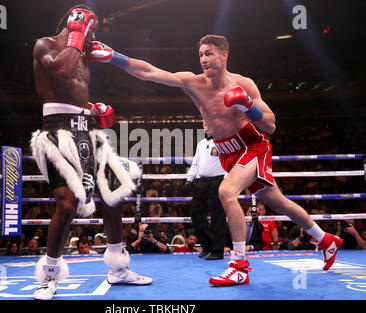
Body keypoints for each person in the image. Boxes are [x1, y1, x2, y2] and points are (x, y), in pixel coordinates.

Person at [86, 34, 343, 286]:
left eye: (209, 53)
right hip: (227, 152)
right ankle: (326, 239)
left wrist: (248, 106)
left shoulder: (244, 84)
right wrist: (115, 58)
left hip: (252, 145)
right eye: (200, 55)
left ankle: (240, 266)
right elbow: (151, 72)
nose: (203, 59)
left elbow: (271, 125)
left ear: (224, 55)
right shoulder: (193, 83)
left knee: (226, 191)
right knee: (279, 202)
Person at [30, 4, 152, 300]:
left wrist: (93, 111)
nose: (92, 38)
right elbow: (60, 70)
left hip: (87, 131)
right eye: (91, 31)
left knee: (112, 195)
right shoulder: (45, 45)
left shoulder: (82, 56)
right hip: (57, 134)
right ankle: (49, 275)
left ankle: (118, 269)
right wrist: (77, 34)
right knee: (68, 205)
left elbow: (73, 91)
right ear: (76, 25)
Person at [184, 120, 228, 260]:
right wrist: (189, 179)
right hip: (202, 182)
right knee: (195, 215)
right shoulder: (201, 144)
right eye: (205, 125)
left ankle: (217, 251)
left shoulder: (223, 141)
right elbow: (195, 163)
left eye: (209, 124)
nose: (207, 127)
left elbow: (230, 161)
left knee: (218, 217)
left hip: (218, 180)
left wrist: (226, 180)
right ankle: (207, 245)